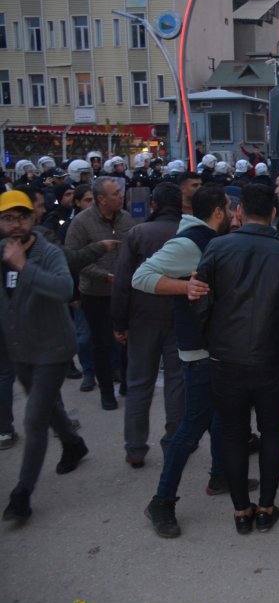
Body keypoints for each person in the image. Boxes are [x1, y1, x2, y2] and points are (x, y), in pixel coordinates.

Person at [188, 184, 279, 534]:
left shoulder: (217, 247)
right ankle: (265, 506)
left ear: (238, 212)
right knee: (272, 431)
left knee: (232, 433)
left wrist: (213, 340)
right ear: (274, 214)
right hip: (270, 359)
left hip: (226, 357)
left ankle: (241, 511)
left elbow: (200, 299)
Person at [136, 185, 240, 539]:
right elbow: (141, 276)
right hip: (198, 351)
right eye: (229, 207)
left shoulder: (209, 238)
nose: (233, 212)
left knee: (218, 418)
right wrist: (185, 288)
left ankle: (220, 476)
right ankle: (161, 501)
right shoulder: (188, 243)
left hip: (211, 345)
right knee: (191, 428)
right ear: (217, 212)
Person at [0, 190, 89, 522]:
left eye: (22, 216)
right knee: (46, 406)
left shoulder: (47, 253)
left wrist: (24, 266)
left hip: (53, 348)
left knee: (34, 419)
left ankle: (22, 493)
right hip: (19, 349)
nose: (16, 224)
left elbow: (65, 290)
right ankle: (73, 442)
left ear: (33, 218)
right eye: (8, 217)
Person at [110, 182, 185, 468]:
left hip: (142, 319)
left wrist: (119, 321)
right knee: (177, 384)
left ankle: (135, 448)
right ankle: (175, 443)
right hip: (181, 319)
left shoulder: (138, 233)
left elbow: (122, 281)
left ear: (153, 205)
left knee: (139, 383)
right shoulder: (189, 232)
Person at [65, 176, 136, 410]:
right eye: (115, 193)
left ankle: (126, 383)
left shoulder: (126, 218)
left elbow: (135, 249)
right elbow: (74, 258)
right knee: (101, 343)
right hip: (95, 293)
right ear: (100, 199)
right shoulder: (82, 223)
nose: (121, 196)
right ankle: (107, 391)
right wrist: (104, 276)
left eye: (120, 192)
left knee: (128, 341)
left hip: (125, 292)